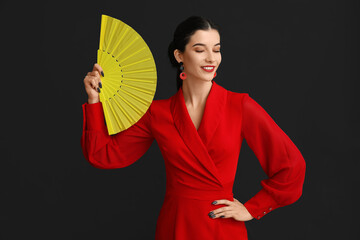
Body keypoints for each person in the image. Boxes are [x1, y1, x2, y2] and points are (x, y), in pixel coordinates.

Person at [81, 16, 306, 240]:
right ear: (179, 55)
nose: (211, 58)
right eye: (200, 50)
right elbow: (102, 154)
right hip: (176, 225)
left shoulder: (240, 105)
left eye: (216, 50)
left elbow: (292, 165)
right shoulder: (157, 112)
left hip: (222, 228)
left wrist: (252, 208)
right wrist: (94, 101)